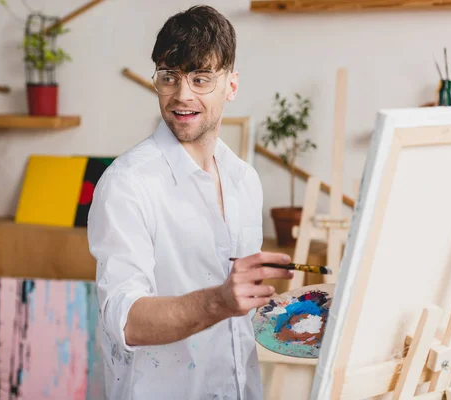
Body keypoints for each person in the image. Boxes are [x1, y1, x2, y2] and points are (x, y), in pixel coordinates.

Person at [87, 5, 293, 399]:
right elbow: (125, 320)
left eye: (201, 79)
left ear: (231, 86)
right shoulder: (126, 184)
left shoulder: (244, 180)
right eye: (170, 77)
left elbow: (236, 309)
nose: (182, 96)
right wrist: (219, 301)